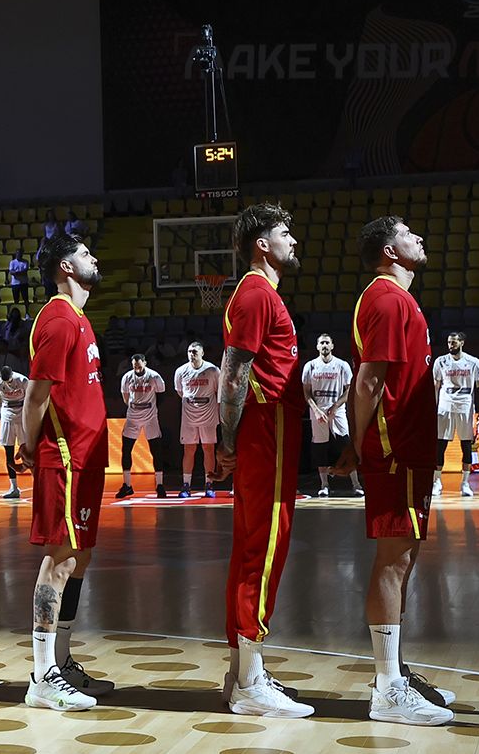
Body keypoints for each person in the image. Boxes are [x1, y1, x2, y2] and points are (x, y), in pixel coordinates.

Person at [335, 216, 455, 726]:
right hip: (393, 448)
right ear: (390, 249)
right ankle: (387, 689)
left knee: (403, 559)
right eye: (411, 233)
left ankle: (396, 671)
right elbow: (367, 382)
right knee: (393, 557)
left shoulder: (400, 300)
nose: (420, 237)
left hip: (410, 447)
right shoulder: (385, 298)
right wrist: (360, 445)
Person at [213, 202, 310, 719]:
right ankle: (250, 682)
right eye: (285, 231)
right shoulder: (254, 293)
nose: (293, 238)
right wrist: (229, 440)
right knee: (265, 550)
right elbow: (233, 374)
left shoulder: (260, 294)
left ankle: (241, 672)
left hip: (267, 431)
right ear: (261, 244)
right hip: (265, 429)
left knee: (251, 549)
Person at [16, 235, 112, 711]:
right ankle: (42, 676)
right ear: (64, 267)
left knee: (81, 559)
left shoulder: (78, 318)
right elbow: (36, 394)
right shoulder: (56, 318)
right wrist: (29, 444)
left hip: (87, 457)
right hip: (66, 457)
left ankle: (62, 658)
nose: (93, 257)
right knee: (59, 562)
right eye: (83, 253)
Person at [302, 335, 360, 498]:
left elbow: (349, 390)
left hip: (338, 410)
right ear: (317, 347)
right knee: (320, 448)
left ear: (332, 346)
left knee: (346, 443)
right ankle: (324, 485)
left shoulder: (342, 365)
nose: (325, 345)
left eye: (327, 342)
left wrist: (335, 407)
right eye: (322, 343)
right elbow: (306, 392)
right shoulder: (310, 366)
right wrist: (316, 409)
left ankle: (356, 484)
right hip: (317, 411)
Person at [433, 332, 479, 498]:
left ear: (462, 343)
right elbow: (436, 386)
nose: (450, 346)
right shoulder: (440, 361)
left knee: (466, 446)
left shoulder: (473, 362)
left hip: (465, 406)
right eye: (449, 343)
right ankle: (437, 483)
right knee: (440, 445)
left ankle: (465, 484)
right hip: (445, 405)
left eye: (454, 343)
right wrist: (433, 409)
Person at [174, 343, 220, 498]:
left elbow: (218, 391)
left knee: (208, 449)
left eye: (194, 351)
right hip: (189, 416)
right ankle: (186, 485)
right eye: (189, 351)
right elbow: (180, 391)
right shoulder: (180, 371)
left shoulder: (213, 370)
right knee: (189, 450)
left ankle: (209, 484)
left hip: (208, 416)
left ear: (202, 352)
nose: (191, 354)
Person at [119, 354, 165, 498]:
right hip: (133, 418)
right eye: (135, 366)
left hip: (150, 418)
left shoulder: (154, 376)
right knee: (126, 450)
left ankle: (159, 485)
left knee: (156, 450)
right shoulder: (127, 377)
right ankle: (127, 485)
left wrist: (150, 409)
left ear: (145, 363)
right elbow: (125, 396)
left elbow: (161, 395)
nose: (137, 368)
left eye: (139, 365)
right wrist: (134, 407)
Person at [0, 366, 29, 499]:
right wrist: (5, 413)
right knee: (8, 452)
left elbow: (30, 399)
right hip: (7, 416)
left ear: (12, 375)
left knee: (27, 451)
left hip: (22, 415)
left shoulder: (23, 380)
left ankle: (37, 483)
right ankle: (13, 487)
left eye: (9, 381)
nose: (7, 385)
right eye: (5, 382)